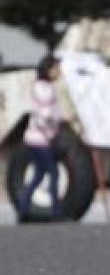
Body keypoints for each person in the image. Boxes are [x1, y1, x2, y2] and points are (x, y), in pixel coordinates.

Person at [18, 55, 63, 222]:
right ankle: (56, 212)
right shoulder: (44, 88)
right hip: (40, 139)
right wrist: (51, 128)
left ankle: (23, 209)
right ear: (48, 69)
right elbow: (44, 113)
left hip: (36, 139)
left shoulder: (43, 86)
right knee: (54, 173)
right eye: (56, 68)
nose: (59, 72)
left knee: (39, 174)